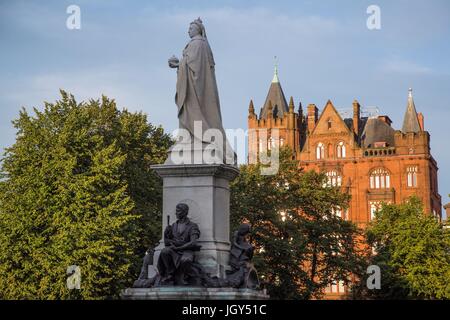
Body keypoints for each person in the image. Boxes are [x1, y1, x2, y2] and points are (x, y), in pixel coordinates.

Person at [168, 17, 236, 164]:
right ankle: (192, 138)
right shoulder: (203, 45)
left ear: (198, 30)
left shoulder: (197, 44)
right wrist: (180, 65)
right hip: (196, 86)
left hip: (192, 89)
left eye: (191, 28)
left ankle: (195, 138)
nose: (188, 30)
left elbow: (193, 66)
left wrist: (178, 64)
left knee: (192, 112)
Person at [157, 203, 201, 285]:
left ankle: (183, 276)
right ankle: (170, 273)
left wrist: (179, 248)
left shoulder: (192, 226)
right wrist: (165, 234)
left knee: (186, 260)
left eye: (178, 211)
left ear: (185, 212)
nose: (176, 213)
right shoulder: (173, 225)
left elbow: (193, 242)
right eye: (176, 211)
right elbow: (167, 243)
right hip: (174, 250)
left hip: (186, 250)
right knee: (165, 251)